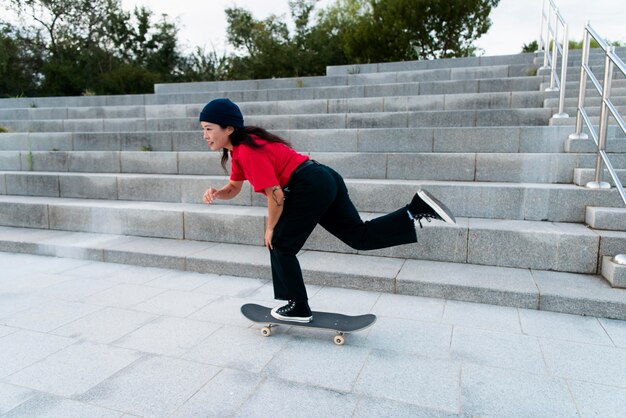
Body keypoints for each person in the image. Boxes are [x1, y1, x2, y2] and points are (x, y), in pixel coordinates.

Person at [199, 98, 455, 323]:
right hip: (322, 177)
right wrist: (219, 192)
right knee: (359, 236)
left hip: (308, 185)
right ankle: (414, 210)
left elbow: (275, 195)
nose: (205, 135)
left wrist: (270, 229)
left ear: (229, 128)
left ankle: (298, 307)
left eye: (209, 129)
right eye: (203, 129)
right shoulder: (242, 149)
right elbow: (234, 186)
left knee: (279, 243)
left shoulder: (247, 152)